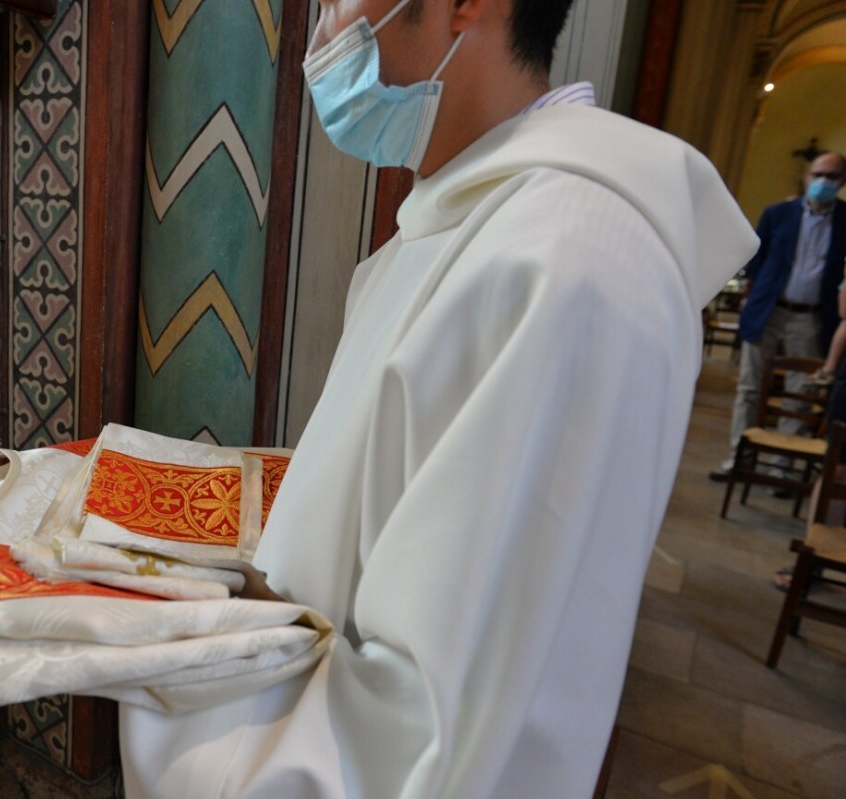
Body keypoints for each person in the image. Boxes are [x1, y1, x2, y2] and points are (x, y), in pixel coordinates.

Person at [120, 1, 756, 796]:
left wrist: (132, 649)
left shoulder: (568, 265)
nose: (321, 30)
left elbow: (423, 744)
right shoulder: (461, 220)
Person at [709, 151, 846, 481]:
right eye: (819, 174)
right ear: (807, 176)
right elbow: (757, 259)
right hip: (770, 309)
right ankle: (738, 459)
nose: (823, 182)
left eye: (832, 176)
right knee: (750, 389)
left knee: (801, 394)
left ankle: (780, 468)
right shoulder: (779, 213)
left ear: (842, 182)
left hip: (811, 317)